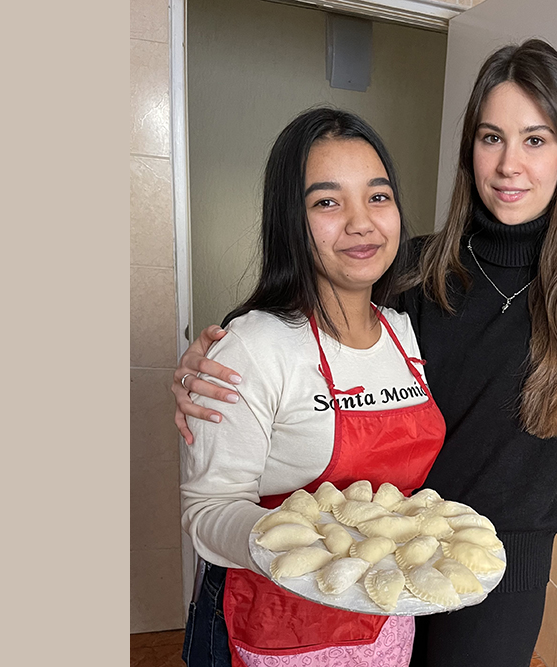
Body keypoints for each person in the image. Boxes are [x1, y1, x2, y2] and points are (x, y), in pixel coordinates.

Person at [174, 40, 557, 667]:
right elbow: (308, 321)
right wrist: (213, 359)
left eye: (536, 140)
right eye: (491, 138)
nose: (509, 164)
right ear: (469, 150)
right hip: (390, 545)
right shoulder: (415, 271)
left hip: (503, 564)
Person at [179, 107, 447, 667]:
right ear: (290, 222)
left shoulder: (402, 332)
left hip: (382, 619)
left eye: (378, 196)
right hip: (274, 626)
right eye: (327, 202)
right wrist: (309, 546)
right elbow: (207, 509)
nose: (361, 222)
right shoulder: (256, 345)